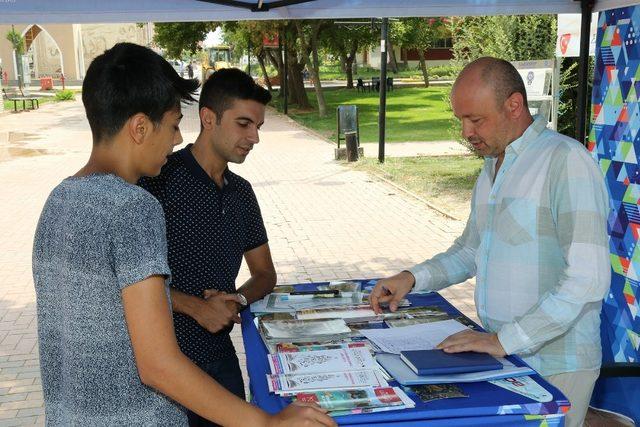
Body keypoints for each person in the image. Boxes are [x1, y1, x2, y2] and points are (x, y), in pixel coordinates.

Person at [33, 42, 334, 427]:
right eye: (174, 125)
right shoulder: (133, 207)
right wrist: (268, 422)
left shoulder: (58, 200)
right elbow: (158, 366)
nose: (177, 139)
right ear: (140, 127)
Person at [370, 57, 610, 427]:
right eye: (461, 120)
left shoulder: (565, 161)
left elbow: (588, 279)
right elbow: (469, 250)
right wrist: (411, 278)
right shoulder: (492, 167)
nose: (466, 131)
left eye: (475, 119)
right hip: (507, 354)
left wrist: (503, 341)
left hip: (557, 362)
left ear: (513, 105)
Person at [138, 68, 277, 426]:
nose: (254, 137)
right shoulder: (159, 180)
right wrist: (197, 307)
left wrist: (237, 301)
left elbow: (264, 273)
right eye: (244, 124)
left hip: (219, 355)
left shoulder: (241, 192)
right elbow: (122, 283)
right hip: (162, 363)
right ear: (209, 118)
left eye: (258, 127)